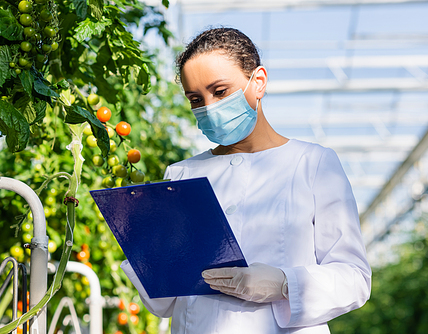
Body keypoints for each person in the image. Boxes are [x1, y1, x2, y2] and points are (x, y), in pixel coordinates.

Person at [120, 27, 371, 333]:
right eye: (196, 99)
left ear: (259, 82)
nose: (209, 108)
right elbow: (164, 304)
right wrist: (145, 248)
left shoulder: (313, 163)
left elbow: (355, 278)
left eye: (221, 91)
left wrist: (284, 283)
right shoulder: (181, 174)